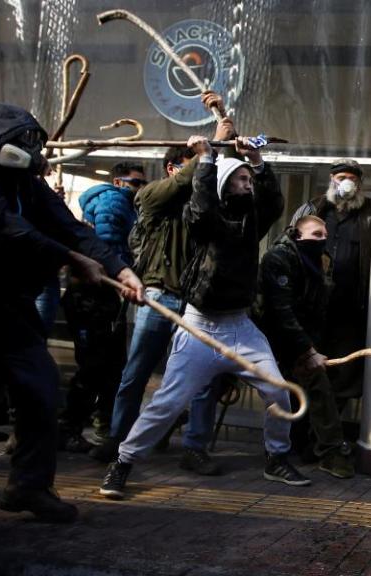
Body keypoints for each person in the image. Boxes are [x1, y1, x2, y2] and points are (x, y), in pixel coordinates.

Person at [0, 102, 144, 523]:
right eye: (21, 140)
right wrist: (71, 259)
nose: (29, 150)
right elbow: (5, 223)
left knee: (41, 387)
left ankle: (29, 485)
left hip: (4, 305)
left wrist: (119, 268)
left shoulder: (27, 184)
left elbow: (72, 227)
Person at [100, 135, 310, 499]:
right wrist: (207, 159)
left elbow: (273, 201)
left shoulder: (251, 221)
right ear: (223, 183)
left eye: (249, 179)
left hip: (241, 327)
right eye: (242, 179)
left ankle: (276, 458)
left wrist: (257, 161)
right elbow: (200, 210)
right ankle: (123, 461)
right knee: (167, 403)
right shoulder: (203, 221)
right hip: (200, 328)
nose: (248, 185)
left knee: (279, 392)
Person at [91, 94, 231, 474]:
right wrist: (208, 147)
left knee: (200, 380)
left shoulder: (204, 206)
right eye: (193, 166)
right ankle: (118, 440)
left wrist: (222, 121)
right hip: (159, 298)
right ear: (173, 168)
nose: (204, 171)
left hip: (195, 304)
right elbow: (193, 174)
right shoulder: (151, 197)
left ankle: (194, 448)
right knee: (136, 372)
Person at [58, 161, 146, 451]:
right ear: (120, 182)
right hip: (91, 294)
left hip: (103, 295)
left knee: (109, 364)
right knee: (94, 365)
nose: (140, 189)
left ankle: (101, 425)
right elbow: (106, 248)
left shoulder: (121, 205)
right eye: (136, 183)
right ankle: (71, 426)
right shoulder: (111, 202)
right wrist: (125, 271)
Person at [259, 215, 354, 478]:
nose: (322, 240)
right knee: (306, 390)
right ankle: (330, 452)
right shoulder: (278, 259)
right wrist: (307, 351)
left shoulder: (321, 262)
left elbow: (317, 307)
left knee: (310, 390)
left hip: (303, 338)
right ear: (297, 235)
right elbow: (281, 312)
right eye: (315, 235)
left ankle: (305, 447)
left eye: (325, 235)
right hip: (273, 340)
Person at [291, 159, 371, 408]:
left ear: (360, 184)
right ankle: (299, 434)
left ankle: (328, 439)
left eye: (352, 178)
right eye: (341, 178)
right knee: (306, 371)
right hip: (312, 310)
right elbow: (289, 244)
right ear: (331, 180)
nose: (346, 183)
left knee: (342, 376)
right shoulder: (312, 209)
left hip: (350, 312)